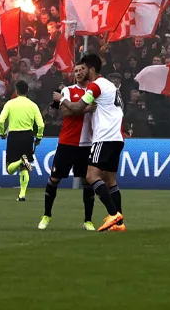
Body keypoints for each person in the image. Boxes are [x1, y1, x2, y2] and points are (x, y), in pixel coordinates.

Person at [60, 53, 126, 233]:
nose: (82, 71)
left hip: (103, 137)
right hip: (117, 137)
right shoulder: (111, 86)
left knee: (91, 176)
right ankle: (119, 224)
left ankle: (113, 215)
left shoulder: (96, 86)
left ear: (92, 69)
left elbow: (76, 108)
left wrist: (61, 99)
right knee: (110, 180)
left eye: (85, 68)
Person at [39, 63, 96, 231]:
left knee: (87, 182)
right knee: (54, 179)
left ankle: (88, 221)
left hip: (87, 143)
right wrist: (85, 109)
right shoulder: (68, 91)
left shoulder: (94, 92)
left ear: (88, 71)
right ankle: (46, 215)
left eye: (81, 70)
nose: (78, 73)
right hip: (67, 143)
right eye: (76, 71)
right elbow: (66, 113)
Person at [0, 79, 43, 202]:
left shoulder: (10, 104)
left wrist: (2, 133)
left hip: (14, 136)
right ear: (27, 91)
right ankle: (22, 195)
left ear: (16, 91)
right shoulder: (33, 105)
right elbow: (41, 125)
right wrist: (38, 137)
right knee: (24, 168)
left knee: (9, 169)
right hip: (28, 136)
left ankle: (20, 161)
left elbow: (0, 121)